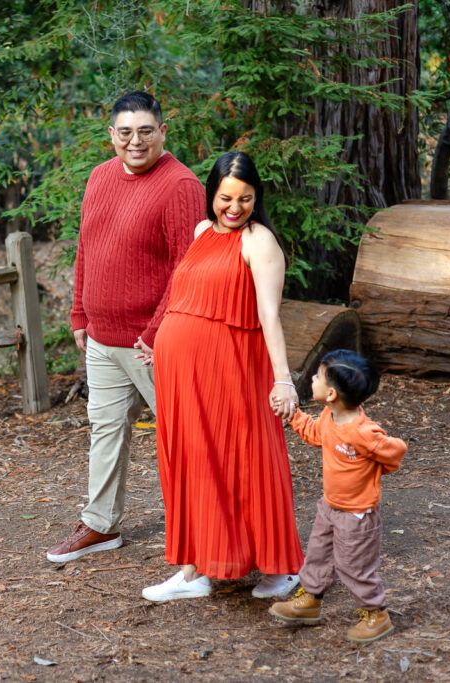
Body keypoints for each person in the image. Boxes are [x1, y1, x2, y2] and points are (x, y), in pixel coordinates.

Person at [46, 91, 204, 563]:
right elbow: (87, 249)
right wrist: (80, 312)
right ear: (111, 134)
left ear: (162, 131)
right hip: (102, 338)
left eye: (145, 131)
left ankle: (202, 534)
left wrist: (156, 333)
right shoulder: (99, 177)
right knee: (106, 431)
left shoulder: (181, 186)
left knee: (183, 439)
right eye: (125, 132)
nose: (135, 141)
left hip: (153, 344)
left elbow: (187, 268)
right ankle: (100, 525)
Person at [141, 151, 305, 603]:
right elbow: (187, 296)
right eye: (225, 198)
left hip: (231, 368)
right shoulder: (200, 232)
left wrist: (283, 379)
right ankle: (195, 567)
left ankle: (282, 567)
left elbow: (270, 316)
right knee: (192, 462)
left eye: (246, 199)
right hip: (182, 374)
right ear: (211, 194)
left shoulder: (259, 241)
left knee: (247, 457)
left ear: (257, 198)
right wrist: (160, 341)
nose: (234, 208)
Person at [268, 349, 407, 643]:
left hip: (357, 515)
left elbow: (395, 450)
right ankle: (311, 601)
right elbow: (315, 433)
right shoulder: (330, 418)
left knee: (353, 565)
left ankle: (376, 614)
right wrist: (292, 414)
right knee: (317, 554)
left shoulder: (363, 432)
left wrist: (376, 470)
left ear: (331, 393)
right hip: (330, 507)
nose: (313, 378)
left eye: (318, 375)